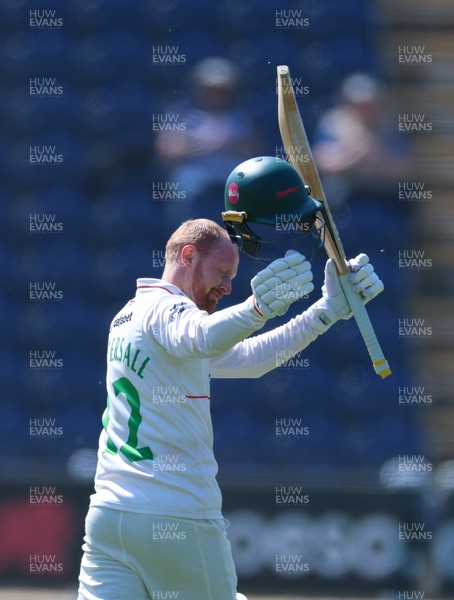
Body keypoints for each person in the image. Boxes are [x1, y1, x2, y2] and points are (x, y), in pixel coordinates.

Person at [77, 159, 384, 600]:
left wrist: (325, 313)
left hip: (110, 517)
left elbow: (248, 359)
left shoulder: (128, 317)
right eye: (222, 274)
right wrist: (257, 309)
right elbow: (201, 336)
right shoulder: (170, 311)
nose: (226, 288)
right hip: (178, 516)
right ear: (187, 256)